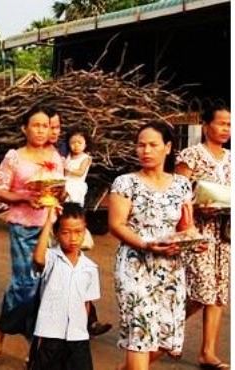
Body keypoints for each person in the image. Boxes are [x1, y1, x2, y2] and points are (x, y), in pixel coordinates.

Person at [109, 121, 204, 370]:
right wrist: (147, 244)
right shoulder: (125, 183)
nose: (146, 150)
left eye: (153, 145)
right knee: (140, 334)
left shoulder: (182, 185)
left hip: (171, 269)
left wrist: (194, 241)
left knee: (164, 337)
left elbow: (186, 227)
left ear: (168, 147)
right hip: (134, 266)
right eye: (141, 145)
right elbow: (117, 225)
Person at [0, 105, 64, 363]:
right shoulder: (14, 157)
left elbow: (61, 191)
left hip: (49, 227)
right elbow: (0, 191)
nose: (42, 130)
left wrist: (57, 197)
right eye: (36, 125)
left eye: (46, 126)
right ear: (24, 128)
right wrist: (24, 196)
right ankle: (1, 329)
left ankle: (35, 347)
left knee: (44, 288)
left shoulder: (56, 156)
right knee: (25, 286)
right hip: (22, 226)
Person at [176, 103, 231, 369]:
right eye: (221, 123)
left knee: (219, 293)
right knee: (199, 292)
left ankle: (207, 352)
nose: (226, 129)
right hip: (198, 232)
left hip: (225, 234)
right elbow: (177, 193)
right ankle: (167, 330)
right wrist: (198, 208)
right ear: (207, 124)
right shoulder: (191, 155)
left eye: (230, 125)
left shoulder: (231, 159)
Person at [28, 203, 99, 370]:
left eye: (78, 232)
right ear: (56, 233)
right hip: (50, 332)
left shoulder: (90, 268)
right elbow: (38, 258)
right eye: (66, 232)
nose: (73, 238)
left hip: (78, 335)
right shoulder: (51, 258)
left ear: (85, 231)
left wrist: (84, 329)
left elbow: (86, 303)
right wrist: (49, 221)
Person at [64, 127, 92, 206]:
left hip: (76, 186)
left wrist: (68, 168)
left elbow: (80, 172)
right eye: (73, 143)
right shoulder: (68, 156)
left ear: (85, 144)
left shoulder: (85, 158)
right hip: (65, 183)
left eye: (79, 143)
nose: (76, 145)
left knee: (73, 207)